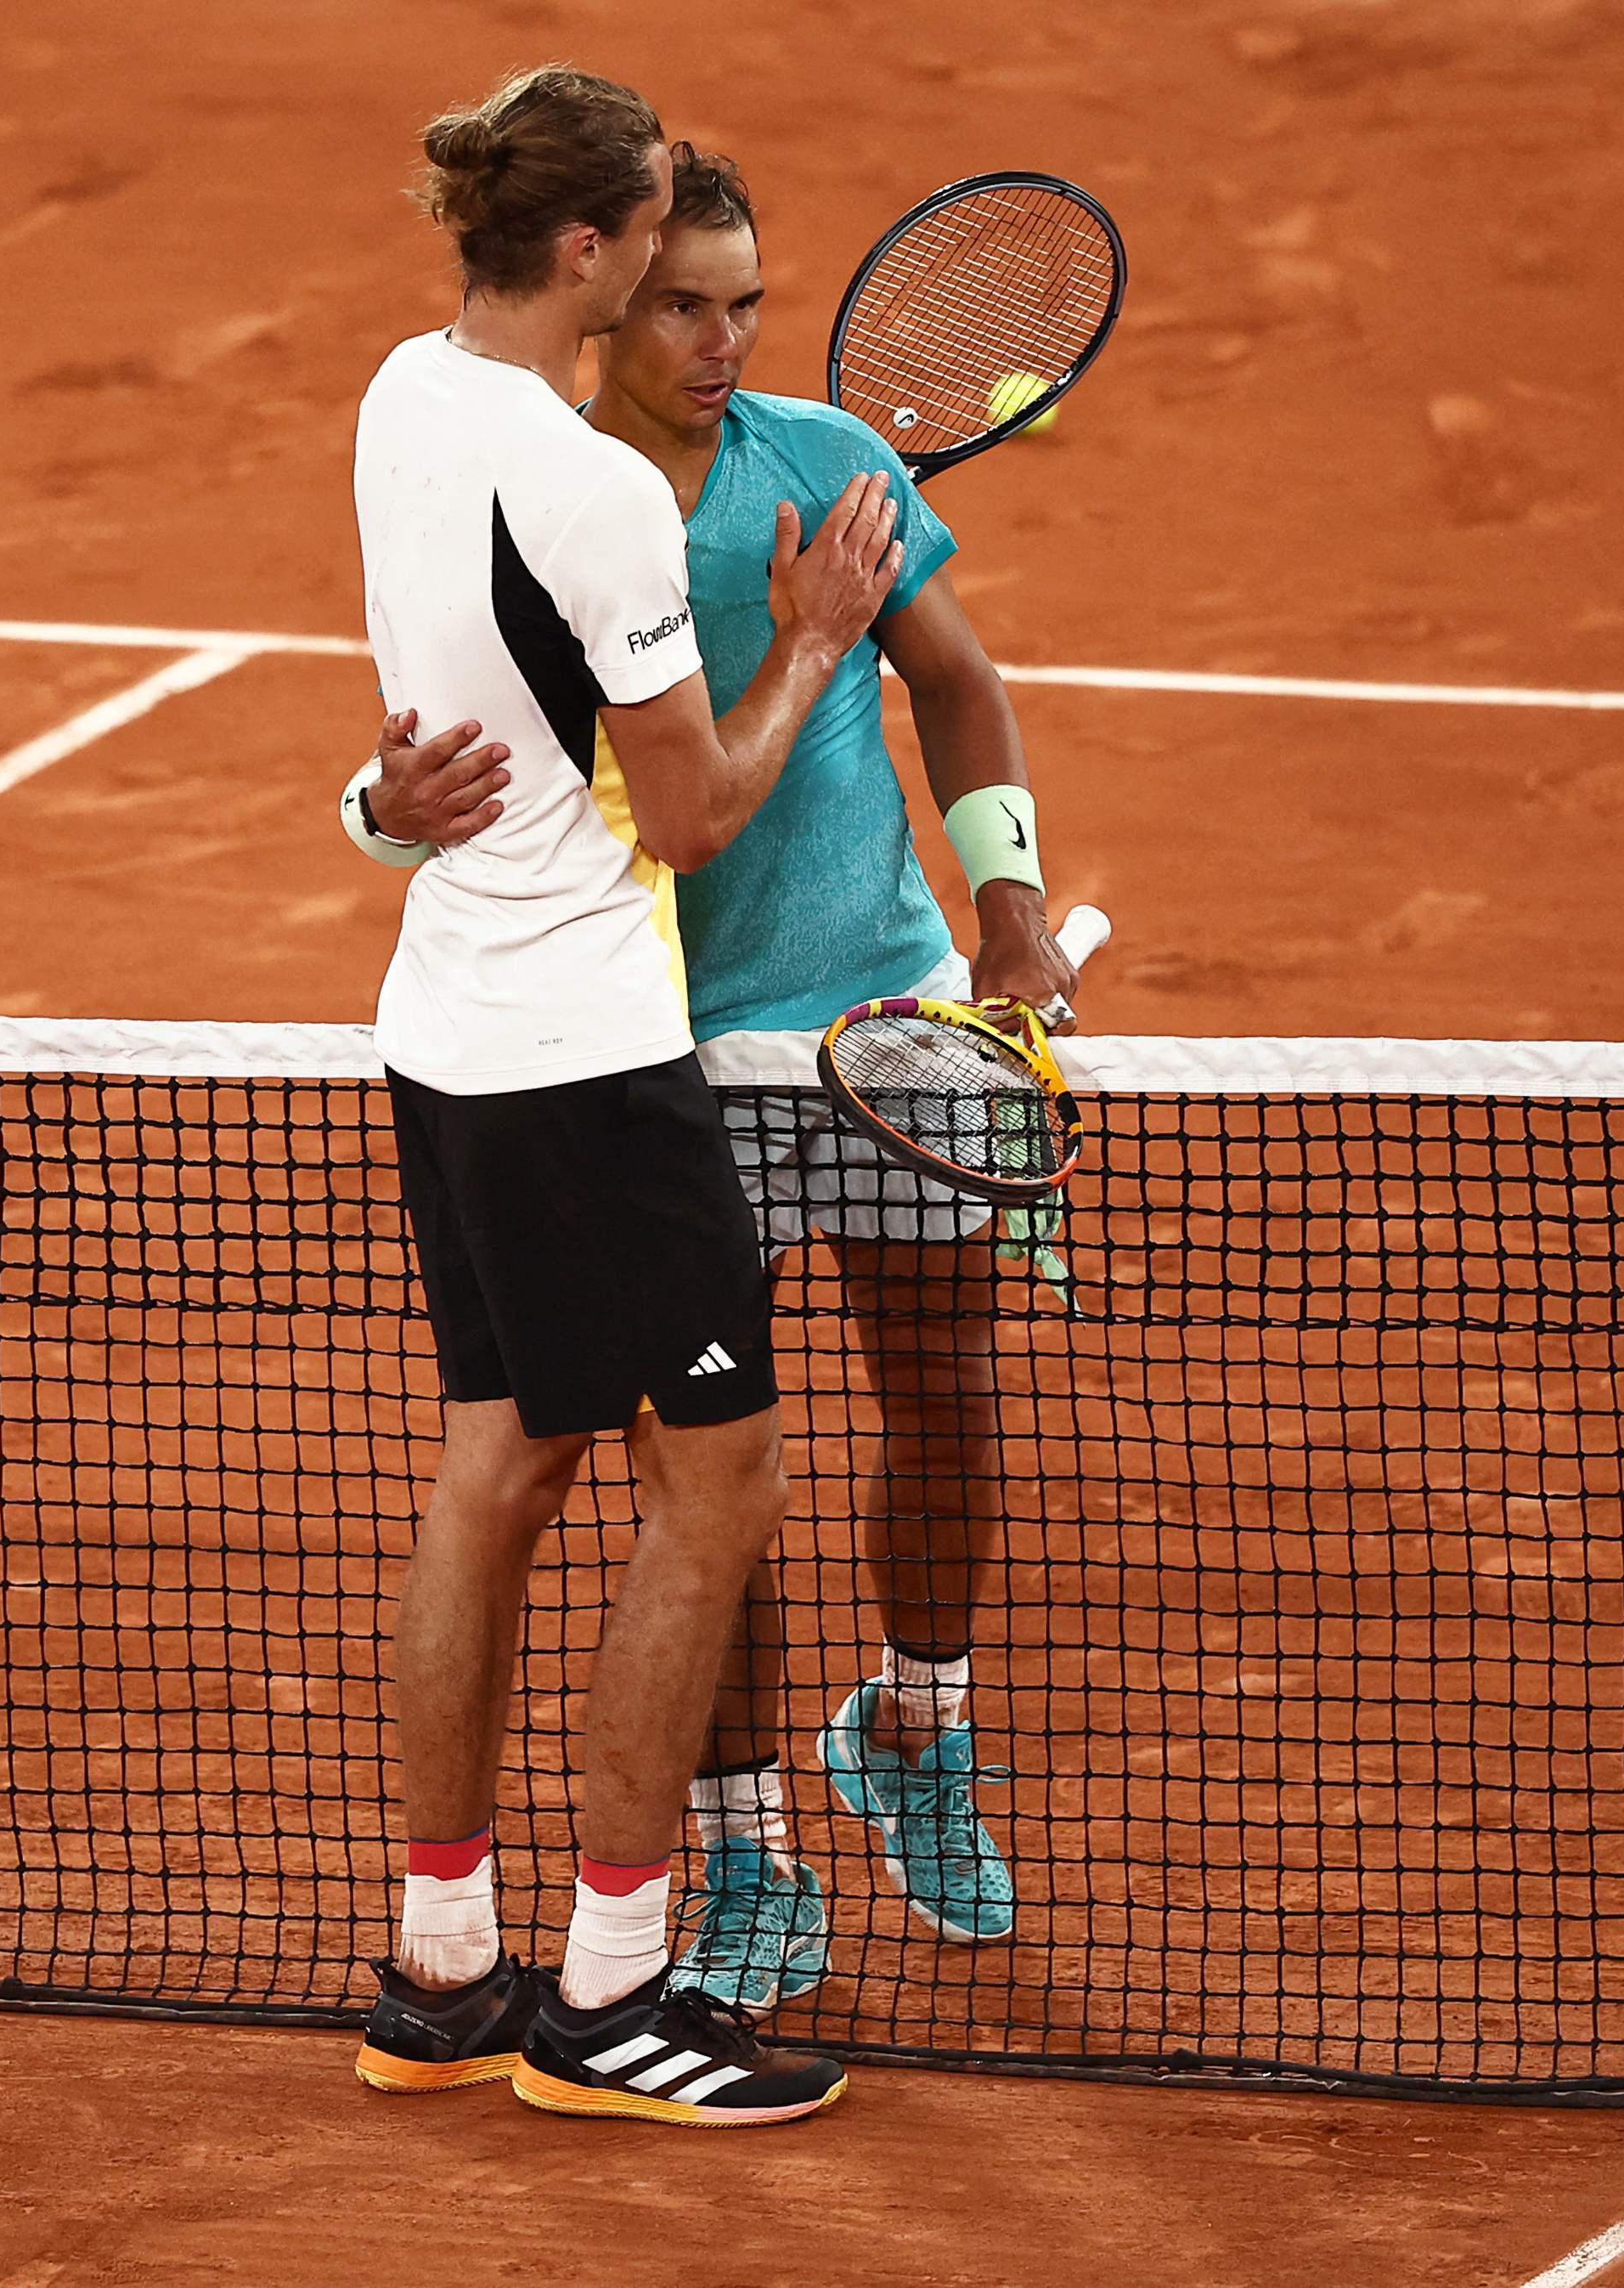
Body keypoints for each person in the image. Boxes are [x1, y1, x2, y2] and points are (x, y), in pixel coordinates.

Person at [350, 147, 1077, 2016]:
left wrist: (1003, 914)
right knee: (709, 1473)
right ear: (607, 294)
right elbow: (448, 753)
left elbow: (964, 688)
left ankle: (918, 1725)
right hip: (668, 1052)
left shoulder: (828, 456)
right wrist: (369, 815)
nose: (723, 339)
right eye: (685, 301)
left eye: (748, 301)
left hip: (892, 1016)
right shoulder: (564, 493)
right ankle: (744, 1839)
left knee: (941, 1383)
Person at [341, 70, 904, 2128]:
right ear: (587, 256)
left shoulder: (403, 397)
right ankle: (611, 1989)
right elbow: (684, 812)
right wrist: (814, 644)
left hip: (443, 1038)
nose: (687, 284)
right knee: (720, 1488)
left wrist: (370, 811)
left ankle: (441, 1959)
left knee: (493, 1469)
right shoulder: (593, 494)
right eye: (655, 236)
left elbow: (433, 746)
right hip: (591, 1056)